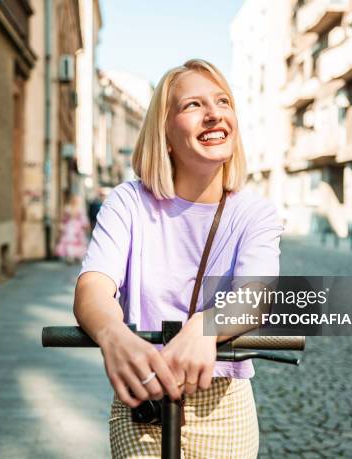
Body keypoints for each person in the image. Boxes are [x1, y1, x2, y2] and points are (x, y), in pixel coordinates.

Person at [74, 59, 283, 458]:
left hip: (224, 408)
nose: (214, 114)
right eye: (192, 105)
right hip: (143, 398)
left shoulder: (255, 212)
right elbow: (93, 286)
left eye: (223, 101)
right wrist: (112, 334)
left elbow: (255, 295)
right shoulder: (129, 201)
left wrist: (205, 327)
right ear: (165, 132)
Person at [55, 194, 89, 264]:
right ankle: (71, 257)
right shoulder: (69, 208)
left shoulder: (75, 208)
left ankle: (75, 256)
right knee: (71, 242)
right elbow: (65, 218)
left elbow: (82, 218)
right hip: (72, 227)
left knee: (75, 242)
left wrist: (85, 225)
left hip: (74, 227)